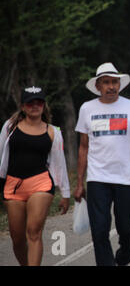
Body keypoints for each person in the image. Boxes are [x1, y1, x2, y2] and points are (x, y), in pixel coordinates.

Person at [73, 62, 130, 266]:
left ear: (119, 84)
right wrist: (79, 183)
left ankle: (122, 258)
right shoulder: (87, 109)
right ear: (98, 86)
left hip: (126, 178)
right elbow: (83, 147)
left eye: (114, 82)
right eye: (106, 82)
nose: (111, 86)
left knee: (127, 229)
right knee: (99, 230)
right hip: (97, 178)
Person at [0, 86, 70, 266]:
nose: (35, 106)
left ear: (44, 106)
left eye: (39, 102)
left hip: (40, 184)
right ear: (23, 106)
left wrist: (65, 193)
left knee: (34, 232)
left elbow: (59, 164)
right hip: (13, 186)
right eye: (30, 102)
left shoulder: (53, 131)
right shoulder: (10, 127)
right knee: (17, 239)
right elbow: (1, 155)